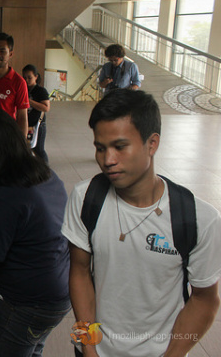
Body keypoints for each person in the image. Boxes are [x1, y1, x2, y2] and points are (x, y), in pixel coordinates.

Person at [62, 89, 221, 357]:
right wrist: (88, 348)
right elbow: (79, 272)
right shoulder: (85, 198)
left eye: (120, 147)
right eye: (100, 148)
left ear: (152, 143)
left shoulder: (197, 218)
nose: (108, 160)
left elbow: (205, 299)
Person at [0, 108, 70, 357]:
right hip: (60, 292)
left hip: (29, 303)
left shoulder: (4, 195)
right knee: (31, 349)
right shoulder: (44, 173)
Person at [22, 64, 50, 163]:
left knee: (39, 149)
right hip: (26, 124)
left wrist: (29, 101)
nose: (26, 80)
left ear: (36, 77)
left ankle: (45, 170)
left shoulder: (40, 91)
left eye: (29, 77)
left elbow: (46, 107)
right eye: (24, 77)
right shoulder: (22, 88)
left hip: (38, 125)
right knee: (29, 149)